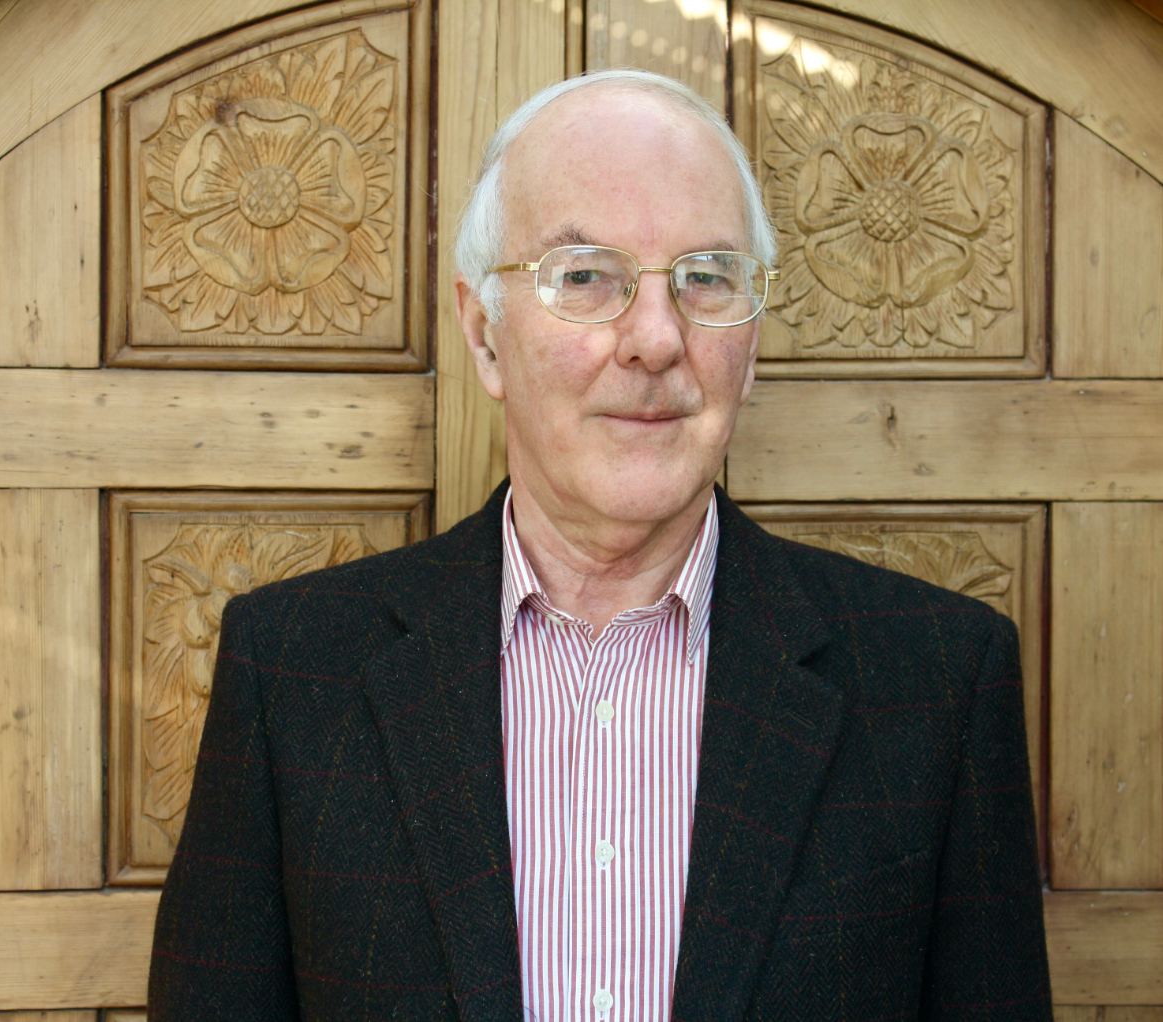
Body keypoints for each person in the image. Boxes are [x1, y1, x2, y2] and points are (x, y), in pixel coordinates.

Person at [149, 69, 1052, 1021]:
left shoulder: (940, 681)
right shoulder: (293, 672)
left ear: (752, 344)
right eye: (584, 277)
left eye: (706, 278)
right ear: (484, 334)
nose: (655, 338)